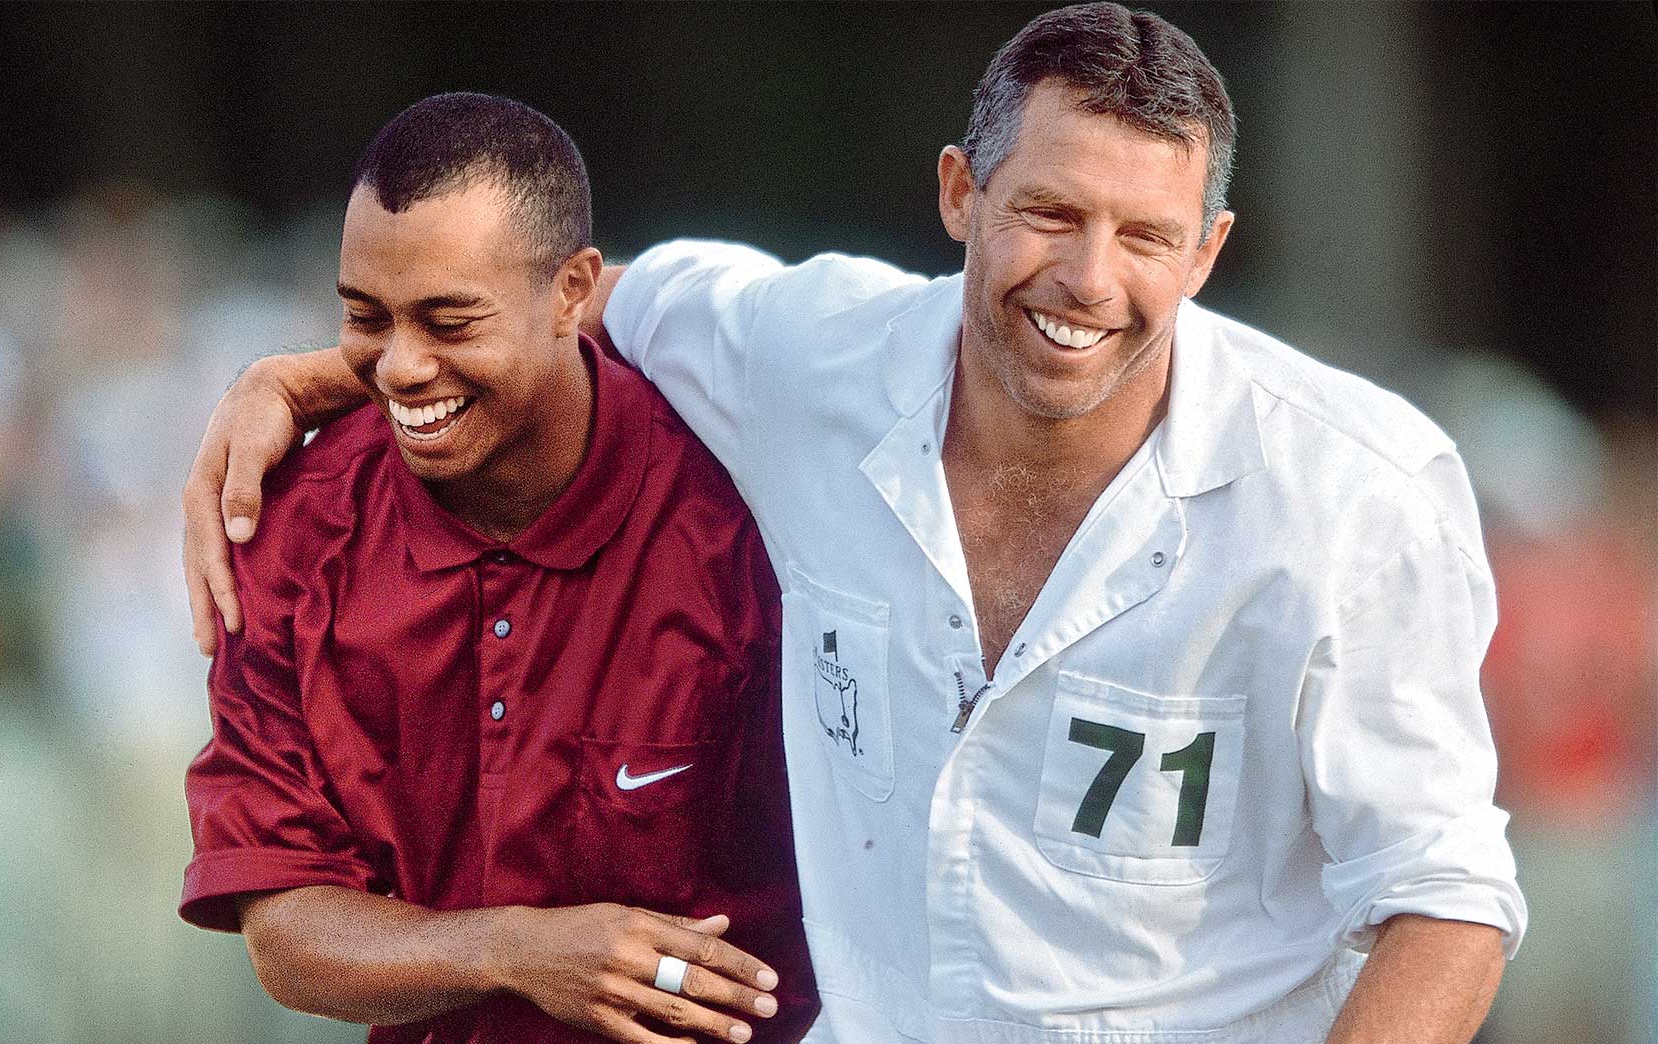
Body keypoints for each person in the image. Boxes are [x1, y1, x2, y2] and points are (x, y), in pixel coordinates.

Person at [182, 7, 1527, 1042]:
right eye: (1047, 212)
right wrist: (324, 375)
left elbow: (1444, 895)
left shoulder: (1359, 491)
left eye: (1145, 235)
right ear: (958, 193)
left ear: (1209, 250)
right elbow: (557, 300)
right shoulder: (804, 355)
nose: (1087, 277)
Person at [177, 93, 816, 1044]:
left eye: (448, 320)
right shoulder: (289, 533)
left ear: (573, 292)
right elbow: (284, 927)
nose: (397, 367)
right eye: (365, 316)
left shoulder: (751, 513)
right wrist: (516, 951)